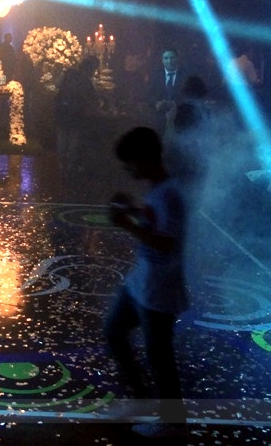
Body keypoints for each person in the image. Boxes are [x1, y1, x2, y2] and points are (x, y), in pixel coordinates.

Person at [105, 126, 188, 437]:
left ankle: (174, 424)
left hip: (160, 290)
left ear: (145, 158)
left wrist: (126, 224)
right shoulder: (158, 190)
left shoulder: (171, 194)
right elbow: (155, 221)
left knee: (159, 356)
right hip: (142, 282)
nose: (127, 169)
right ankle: (138, 400)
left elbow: (166, 243)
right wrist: (134, 209)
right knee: (114, 330)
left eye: (129, 162)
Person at [54, 55, 100, 185]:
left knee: (62, 136)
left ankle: (61, 164)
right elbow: (93, 100)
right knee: (73, 139)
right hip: (76, 114)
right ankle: (69, 166)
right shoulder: (87, 82)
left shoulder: (68, 73)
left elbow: (57, 85)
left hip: (62, 110)